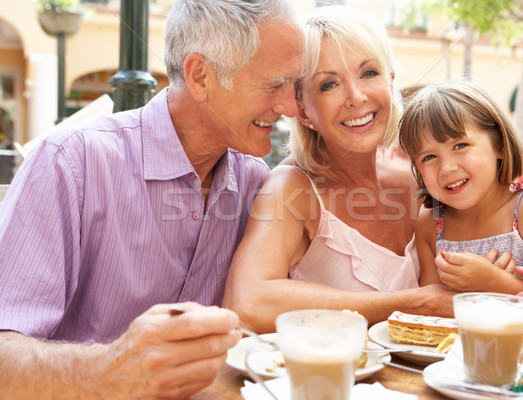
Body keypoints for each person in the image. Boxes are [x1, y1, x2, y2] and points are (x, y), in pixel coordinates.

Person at [0, 0, 304, 398]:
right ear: (200, 76)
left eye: (295, 86)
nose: (292, 108)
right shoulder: (71, 162)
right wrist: (112, 370)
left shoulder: (254, 180)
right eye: (275, 84)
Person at [222, 5, 460, 334]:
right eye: (329, 85)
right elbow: (246, 305)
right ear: (303, 110)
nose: (356, 97)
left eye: (368, 73)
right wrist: (414, 304)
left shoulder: (424, 163)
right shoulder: (292, 187)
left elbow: (511, 210)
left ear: (391, 82)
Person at [398, 80, 523, 345]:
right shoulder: (431, 225)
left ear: (499, 146)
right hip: (467, 354)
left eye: (460, 145)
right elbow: (435, 312)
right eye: (428, 157)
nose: (446, 168)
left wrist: (493, 284)